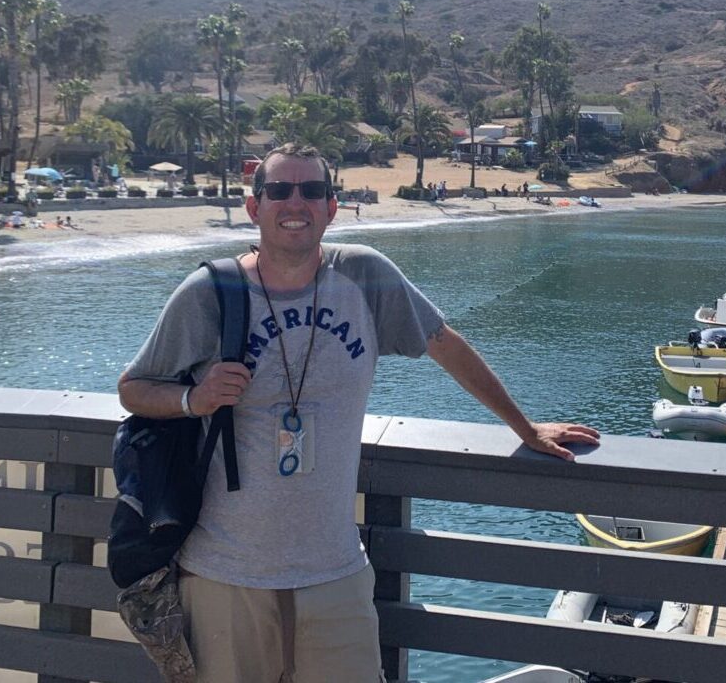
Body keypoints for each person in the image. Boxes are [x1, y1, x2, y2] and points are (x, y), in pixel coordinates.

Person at [117, 144, 598, 683]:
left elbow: (445, 345)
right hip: (223, 577)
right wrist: (193, 399)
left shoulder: (365, 276)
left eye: (312, 190)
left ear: (331, 207)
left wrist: (523, 427)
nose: (295, 202)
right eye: (279, 190)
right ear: (255, 208)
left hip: (336, 576)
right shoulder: (212, 292)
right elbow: (134, 389)